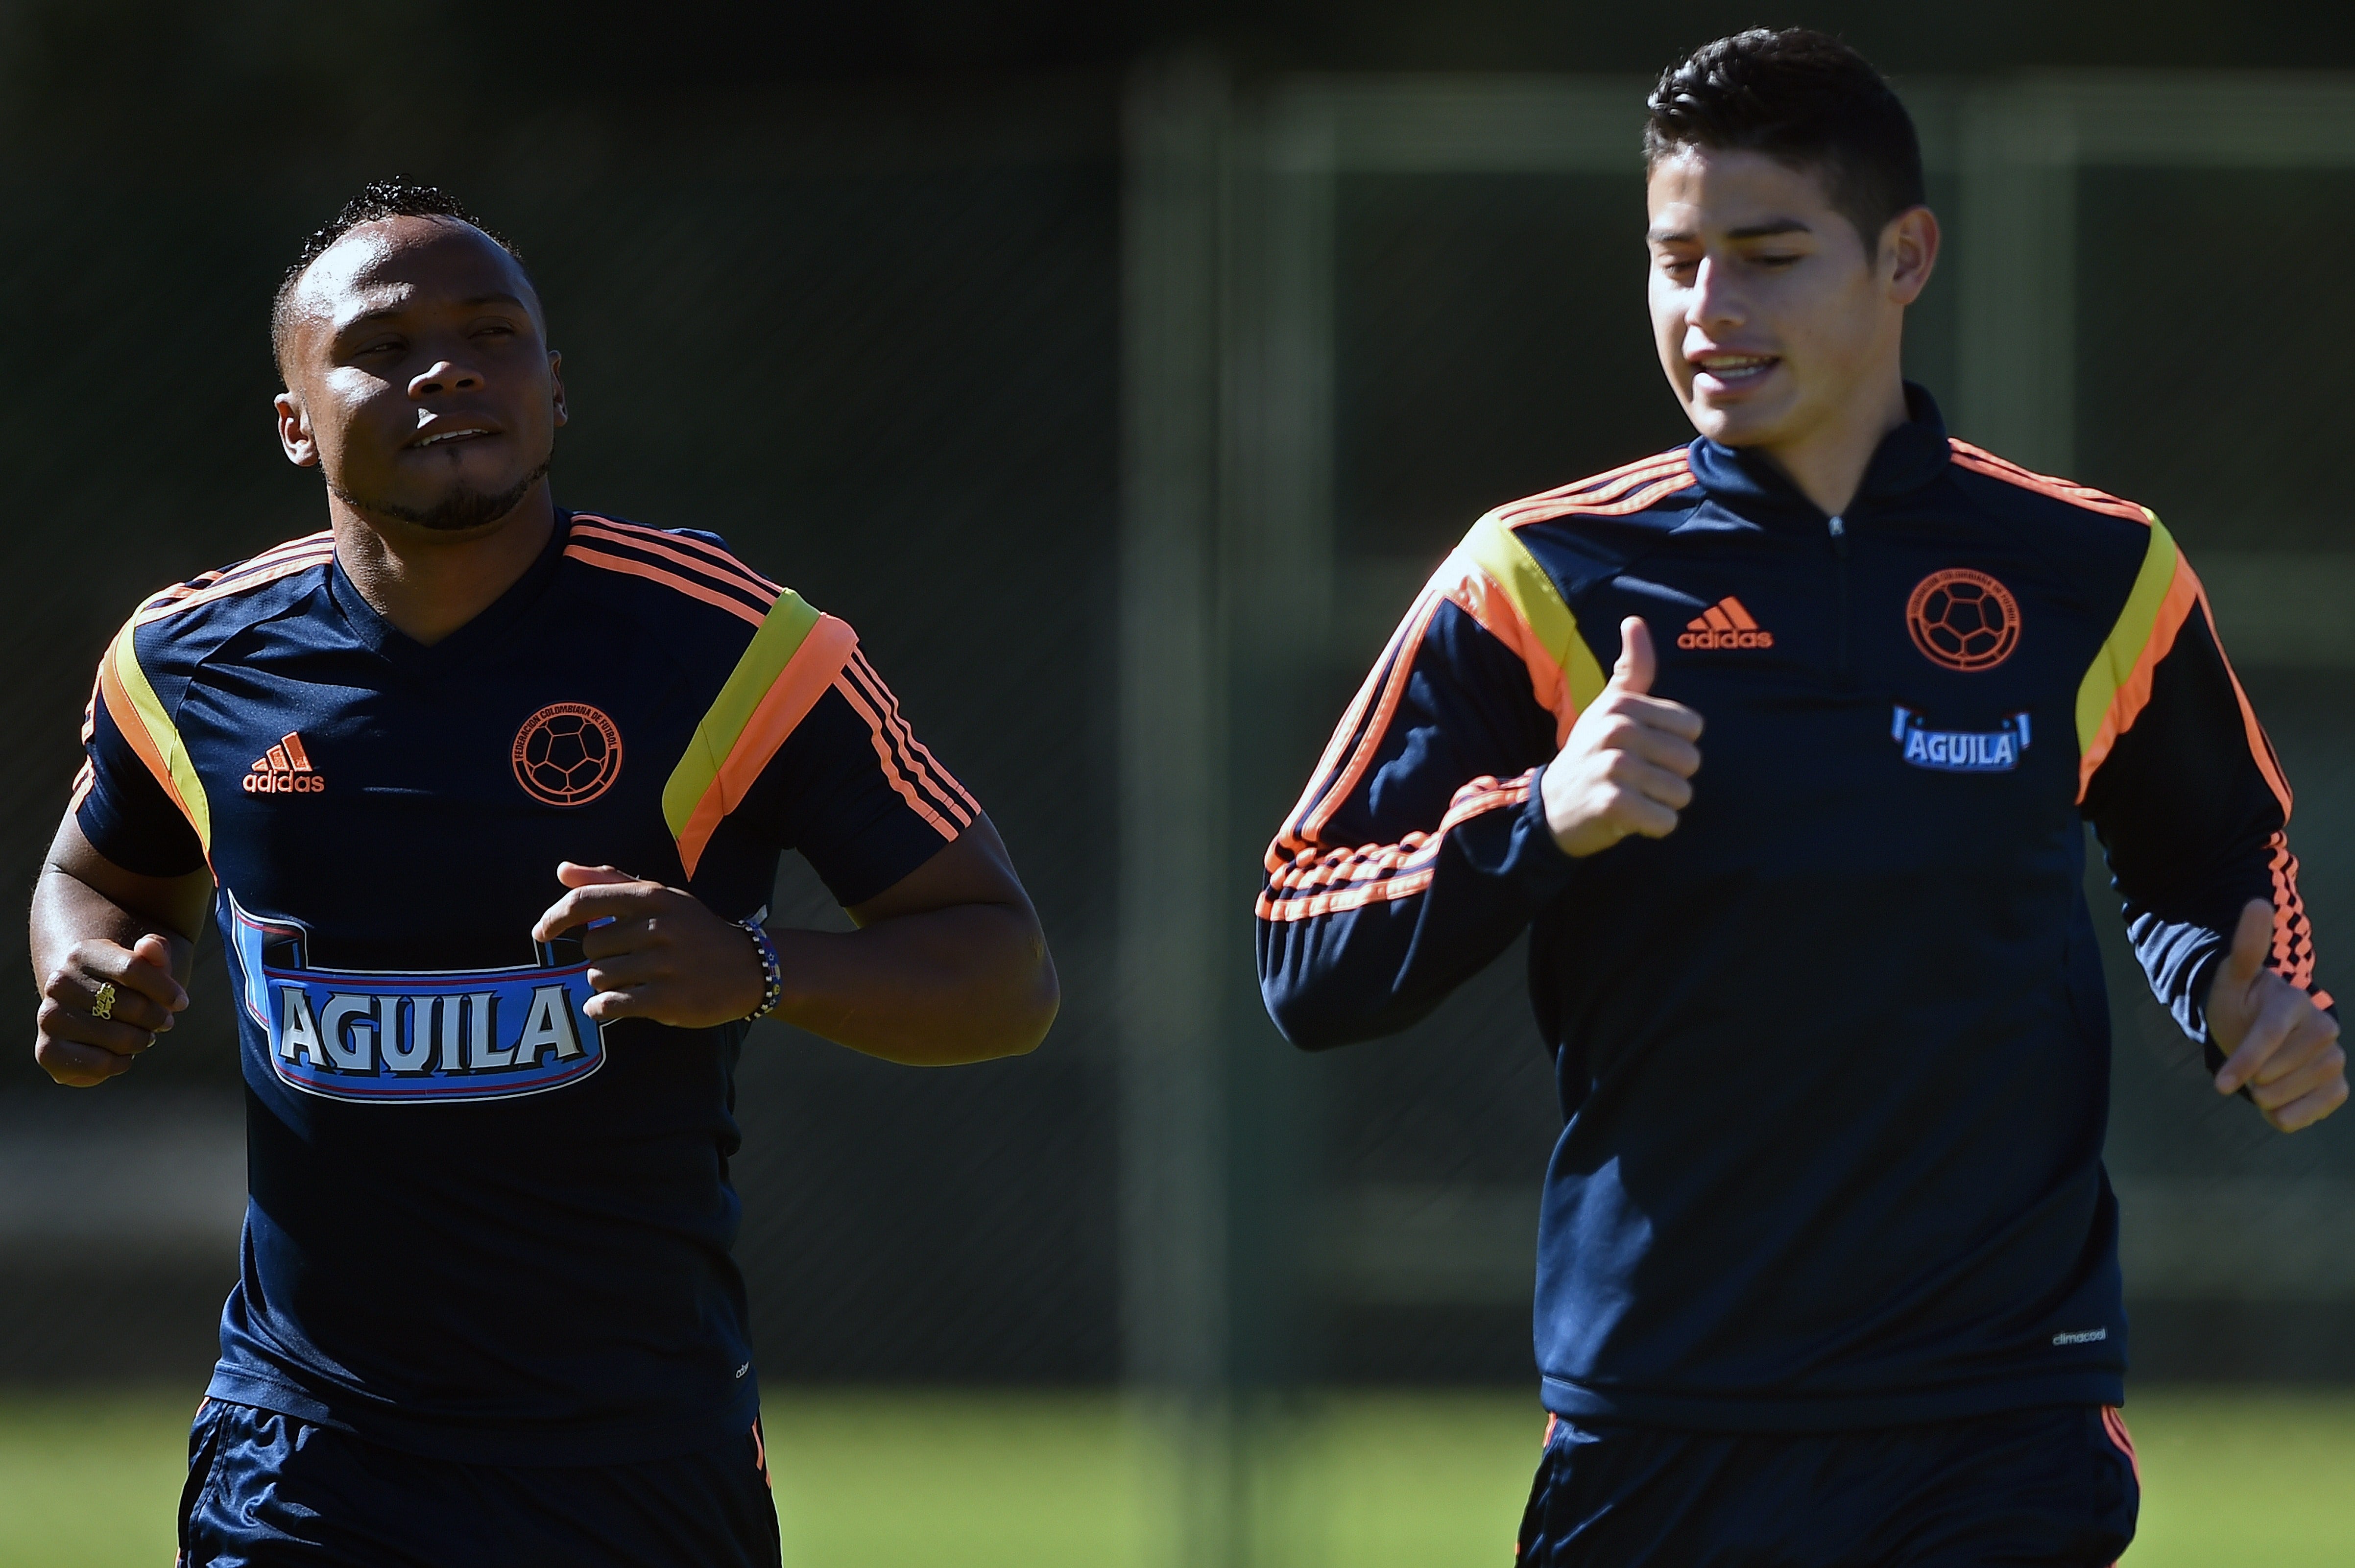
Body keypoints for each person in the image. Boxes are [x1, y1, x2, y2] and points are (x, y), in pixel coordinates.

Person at [1256, 29, 2341, 1567]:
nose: (1711, 312)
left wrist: (2252, 998)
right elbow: (1300, 946)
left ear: (1905, 257)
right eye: (1676, 259)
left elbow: (2212, 855)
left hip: (1999, 1412)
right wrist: (1542, 818)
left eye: (1765, 256)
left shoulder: (2101, 573)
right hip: (1668, 1414)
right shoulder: (1534, 579)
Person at [31, 179, 1059, 1568]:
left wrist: (751, 967)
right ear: (293, 420)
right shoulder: (186, 664)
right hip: (305, 1455)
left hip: (632, 1453)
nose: (447, 366)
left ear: (556, 390)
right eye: (384, 346)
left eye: (491, 333)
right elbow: (93, 875)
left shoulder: (737, 650)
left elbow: (1005, 971)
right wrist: (87, 969)